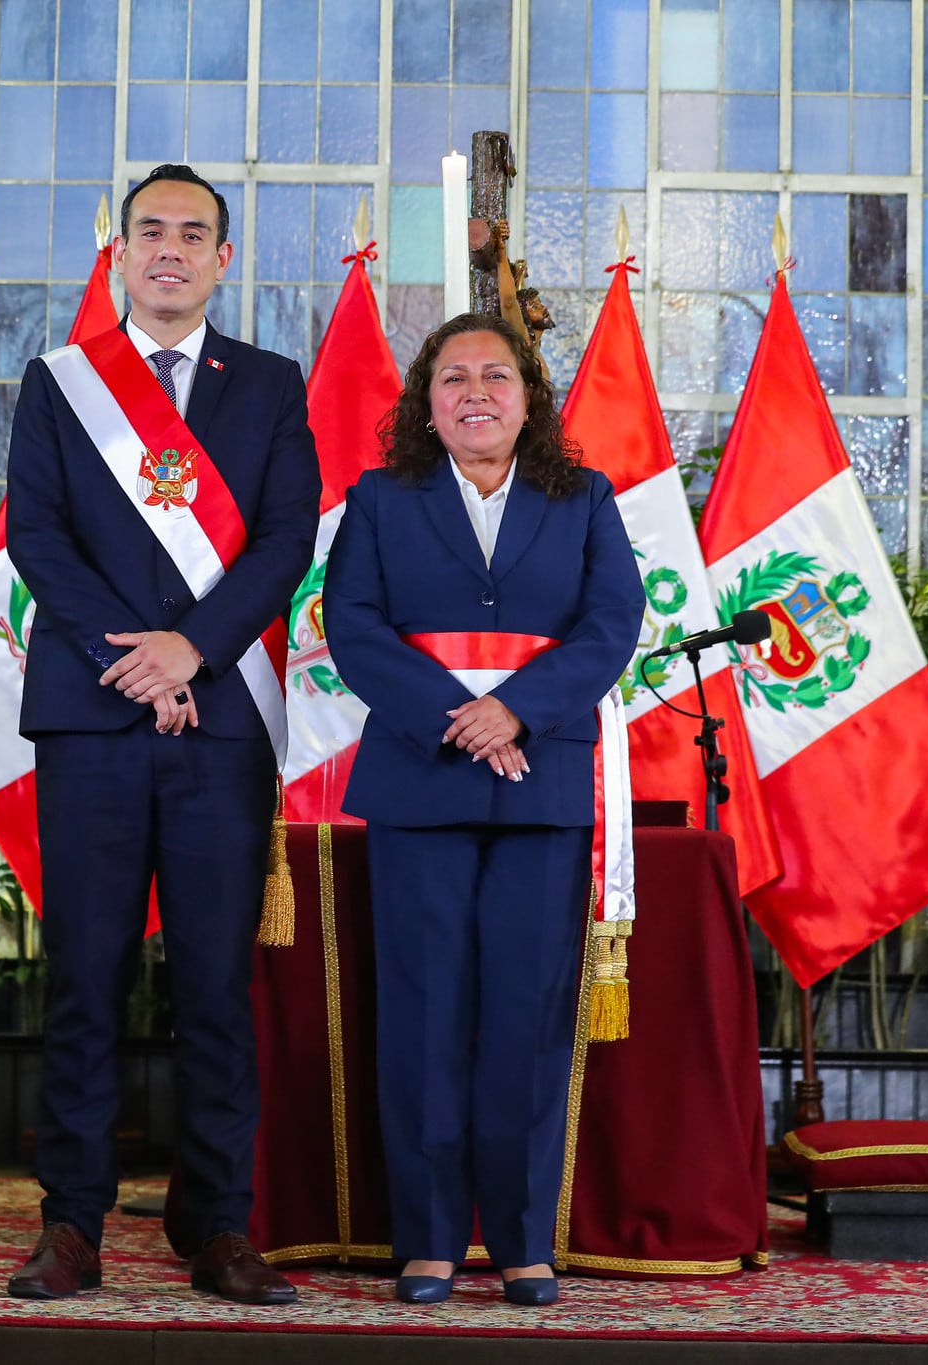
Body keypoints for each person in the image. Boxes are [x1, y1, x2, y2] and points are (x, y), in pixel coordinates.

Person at [0, 164, 320, 1303]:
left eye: (193, 234)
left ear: (223, 259)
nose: (170, 249)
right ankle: (72, 1221)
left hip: (220, 718)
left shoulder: (270, 384)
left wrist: (193, 651)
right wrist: (132, 660)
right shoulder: (60, 382)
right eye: (151, 231)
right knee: (85, 978)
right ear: (121, 252)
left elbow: (285, 540)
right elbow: (37, 537)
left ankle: (219, 1224)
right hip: (90, 718)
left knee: (216, 986)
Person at [322, 315, 644, 1305]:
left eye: (495, 376)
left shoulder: (584, 498)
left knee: (526, 1019)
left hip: (541, 783)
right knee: (422, 1014)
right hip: (420, 782)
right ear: (426, 403)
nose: (475, 392)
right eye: (453, 377)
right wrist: (459, 722)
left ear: (528, 398)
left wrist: (517, 712)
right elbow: (354, 628)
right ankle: (427, 1240)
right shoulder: (380, 499)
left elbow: (610, 625)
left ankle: (519, 1243)